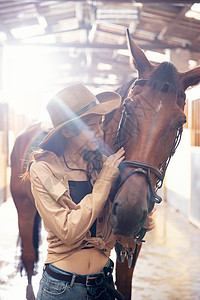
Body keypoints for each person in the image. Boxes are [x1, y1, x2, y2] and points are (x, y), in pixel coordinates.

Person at [28, 82, 154, 300]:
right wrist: (105, 181)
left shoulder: (104, 165)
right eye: (90, 126)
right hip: (63, 288)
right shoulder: (43, 170)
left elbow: (119, 232)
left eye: (100, 123)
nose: (99, 132)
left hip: (104, 284)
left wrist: (139, 218)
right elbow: (69, 231)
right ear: (66, 131)